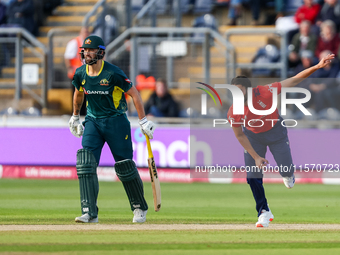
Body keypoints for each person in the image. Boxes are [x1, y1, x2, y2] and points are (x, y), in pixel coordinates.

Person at [227, 53, 334, 227]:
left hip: (276, 132)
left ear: (249, 89)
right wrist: (256, 157)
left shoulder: (264, 91)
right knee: (252, 176)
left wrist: (316, 67)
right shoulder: (234, 110)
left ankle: (288, 174)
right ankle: (264, 212)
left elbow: (293, 80)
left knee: (285, 169)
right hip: (253, 137)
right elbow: (239, 135)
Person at [68, 35, 155, 224]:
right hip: (92, 121)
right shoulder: (81, 73)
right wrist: (75, 116)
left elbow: (134, 94)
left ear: (100, 52)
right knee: (85, 163)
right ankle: (89, 212)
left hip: (116, 122)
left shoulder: (113, 73)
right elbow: (78, 93)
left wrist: (143, 121)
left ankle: (139, 207)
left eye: (91, 50)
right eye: (85, 50)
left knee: (124, 166)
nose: (87, 53)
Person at [64, 27, 90, 115]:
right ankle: (77, 113)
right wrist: (69, 68)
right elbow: (68, 57)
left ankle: (85, 113)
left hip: (87, 74)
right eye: (85, 32)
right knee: (77, 94)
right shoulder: (75, 43)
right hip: (77, 73)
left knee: (87, 94)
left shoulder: (89, 44)